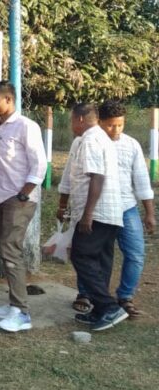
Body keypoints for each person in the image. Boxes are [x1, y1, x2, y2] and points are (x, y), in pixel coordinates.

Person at [58, 102, 130, 331]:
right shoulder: (101, 138)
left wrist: (87, 215)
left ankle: (109, 307)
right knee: (101, 259)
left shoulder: (90, 140)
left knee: (81, 255)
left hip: (97, 212)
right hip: (111, 212)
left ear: (79, 119)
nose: (71, 125)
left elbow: (97, 177)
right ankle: (100, 310)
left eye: (71, 120)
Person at [0, 81, 47, 333]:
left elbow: (39, 163)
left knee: (11, 252)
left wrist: (24, 193)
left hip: (18, 199)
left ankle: (21, 312)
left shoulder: (26, 126)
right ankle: (13, 303)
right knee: (7, 251)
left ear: (9, 100)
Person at [92, 100, 155, 318]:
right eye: (111, 125)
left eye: (120, 125)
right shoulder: (91, 143)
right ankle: (90, 295)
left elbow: (141, 180)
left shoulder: (131, 145)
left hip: (127, 207)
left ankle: (125, 296)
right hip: (100, 208)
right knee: (95, 254)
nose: (116, 130)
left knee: (136, 254)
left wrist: (149, 213)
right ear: (100, 122)